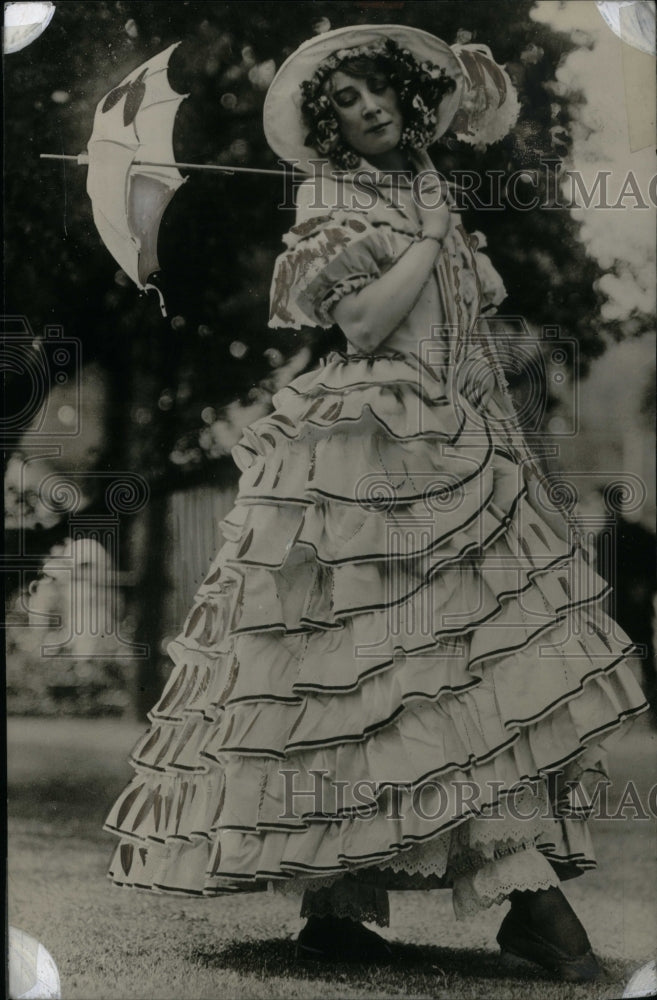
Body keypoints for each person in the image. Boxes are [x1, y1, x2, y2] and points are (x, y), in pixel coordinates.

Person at [105, 25, 649, 983]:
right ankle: (520, 905)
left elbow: (471, 322)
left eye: (374, 91)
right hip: (372, 437)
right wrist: (431, 238)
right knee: (367, 662)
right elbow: (358, 322)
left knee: (453, 662)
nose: (366, 109)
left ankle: (342, 906)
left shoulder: (424, 183)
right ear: (329, 129)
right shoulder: (330, 200)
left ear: (402, 97)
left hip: (458, 435)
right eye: (343, 103)